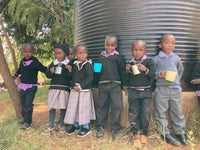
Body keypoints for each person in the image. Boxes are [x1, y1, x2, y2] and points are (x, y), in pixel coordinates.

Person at [153, 34, 189, 146]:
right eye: (167, 43)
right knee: (160, 112)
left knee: (177, 112)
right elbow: (150, 74)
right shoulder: (155, 59)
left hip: (175, 89)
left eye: (173, 43)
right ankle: (165, 133)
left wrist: (176, 82)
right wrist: (159, 74)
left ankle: (180, 132)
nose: (170, 45)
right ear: (160, 45)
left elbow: (180, 71)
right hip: (161, 89)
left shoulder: (177, 58)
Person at [123, 40, 155, 148]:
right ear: (131, 51)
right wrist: (127, 71)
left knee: (145, 113)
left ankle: (144, 132)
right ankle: (135, 133)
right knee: (133, 112)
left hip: (146, 92)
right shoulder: (130, 63)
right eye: (135, 50)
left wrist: (145, 69)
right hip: (133, 92)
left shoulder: (149, 62)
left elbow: (153, 76)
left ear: (145, 51)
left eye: (140, 50)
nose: (137, 52)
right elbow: (126, 79)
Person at [96, 34, 125, 140]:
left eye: (112, 45)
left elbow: (122, 72)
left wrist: (124, 85)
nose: (109, 47)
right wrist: (95, 84)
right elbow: (97, 71)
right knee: (101, 106)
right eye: (107, 45)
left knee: (116, 107)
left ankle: (115, 129)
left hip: (115, 85)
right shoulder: (100, 57)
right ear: (104, 44)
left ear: (116, 45)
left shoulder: (119, 57)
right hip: (102, 85)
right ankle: (99, 127)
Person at [64, 44, 96, 137]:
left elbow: (90, 77)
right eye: (80, 53)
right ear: (75, 55)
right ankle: (76, 125)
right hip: (75, 90)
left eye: (84, 53)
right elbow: (72, 77)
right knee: (75, 107)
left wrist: (81, 86)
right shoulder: (74, 64)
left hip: (84, 91)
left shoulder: (87, 64)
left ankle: (86, 127)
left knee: (84, 108)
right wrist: (69, 71)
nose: (83, 55)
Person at [13, 43, 47, 129]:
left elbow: (43, 69)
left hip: (31, 87)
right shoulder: (22, 61)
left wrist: (50, 71)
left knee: (28, 104)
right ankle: (24, 119)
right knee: (23, 103)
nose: (27, 53)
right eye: (25, 52)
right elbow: (20, 69)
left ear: (33, 52)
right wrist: (16, 74)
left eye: (30, 52)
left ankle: (28, 122)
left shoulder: (35, 62)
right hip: (23, 86)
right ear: (22, 52)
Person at [45, 43, 72, 133]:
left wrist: (70, 71)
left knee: (63, 107)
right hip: (53, 88)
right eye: (56, 53)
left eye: (59, 53)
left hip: (64, 89)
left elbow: (71, 77)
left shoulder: (69, 63)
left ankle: (61, 126)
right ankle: (51, 126)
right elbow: (48, 75)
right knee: (52, 107)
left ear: (65, 53)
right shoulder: (53, 63)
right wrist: (50, 72)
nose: (57, 55)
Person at [55, 46, 75, 125]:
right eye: (68, 55)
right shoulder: (62, 63)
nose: (69, 56)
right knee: (63, 103)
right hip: (65, 87)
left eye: (71, 54)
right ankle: (62, 118)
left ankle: (70, 119)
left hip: (73, 87)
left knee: (71, 104)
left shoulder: (75, 63)